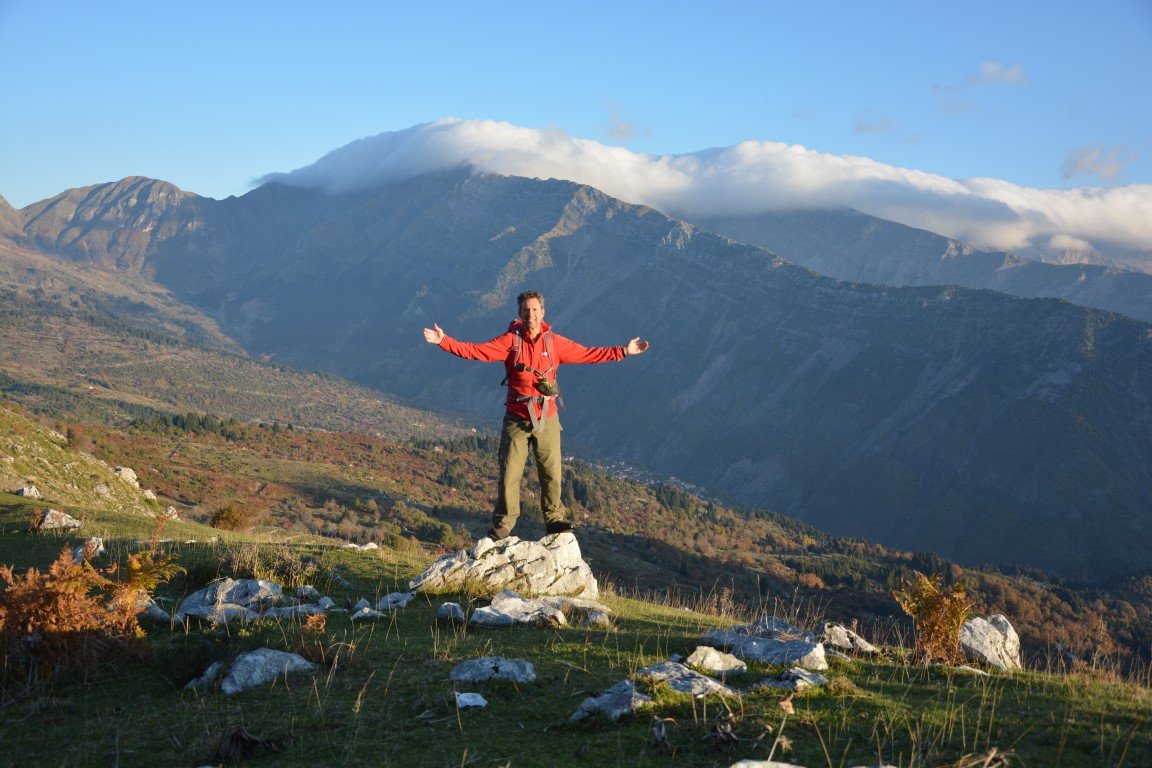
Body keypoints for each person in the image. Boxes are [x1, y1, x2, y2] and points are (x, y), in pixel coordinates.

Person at [423, 290, 650, 540]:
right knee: (510, 473)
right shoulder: (510, 342)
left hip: (547, 417)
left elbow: (588, 354)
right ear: (519, 314)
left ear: (543, 313)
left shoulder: (555, 343)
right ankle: (504, 524)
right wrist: (444, 341)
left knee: (551, 472)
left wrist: (623, 351)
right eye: (525, 310)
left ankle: (554, 520)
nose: (530, 314)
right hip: (517, 418)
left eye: (534, 310)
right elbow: (476, 351)